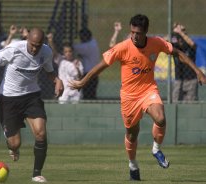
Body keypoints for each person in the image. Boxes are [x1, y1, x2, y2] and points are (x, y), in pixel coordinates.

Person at [69, 14, 206, 181]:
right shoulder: (122, 47)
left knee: (161, 118)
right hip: (129, 97)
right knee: (132, 135)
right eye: (132, 31)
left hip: (148, 90)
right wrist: (83, 81)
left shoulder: (156, 43)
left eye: (138, 33)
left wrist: (198, 71)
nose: (134, 35)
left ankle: (156, 149)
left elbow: (179, 53)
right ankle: (133, 165)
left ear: (145, 32)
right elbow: (101, 66)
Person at [0, 28, 64, 183]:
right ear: (27, 40)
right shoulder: (13, 49)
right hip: (9, 99)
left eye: (38, 45)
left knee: (40, 133)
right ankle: (12, 148)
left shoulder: (46, 52)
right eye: (32, 45)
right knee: (15, 143)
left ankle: (36, 174)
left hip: (31, 96)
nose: (34, 48)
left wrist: (57, 80)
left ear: (42, 44)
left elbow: (49, 71)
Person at [171, 23, 198, 102]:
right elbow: (164, 40)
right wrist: (173, 32)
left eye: (183, 30)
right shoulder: (175, 46)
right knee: (175, 102)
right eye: (179, 31)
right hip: (178, 79)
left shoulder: (189, 45)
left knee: (191, 104)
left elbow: (193, 44)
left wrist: (180, 32)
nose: (180, 33)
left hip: (191, 80)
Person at [73, 28, 100, 99]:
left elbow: (74, 47)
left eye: (81, 37)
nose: (81, 39)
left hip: (89, 73)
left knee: (88, 95)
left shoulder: (89, 46)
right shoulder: (93, 42)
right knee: (90, 94)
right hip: (93, 73)